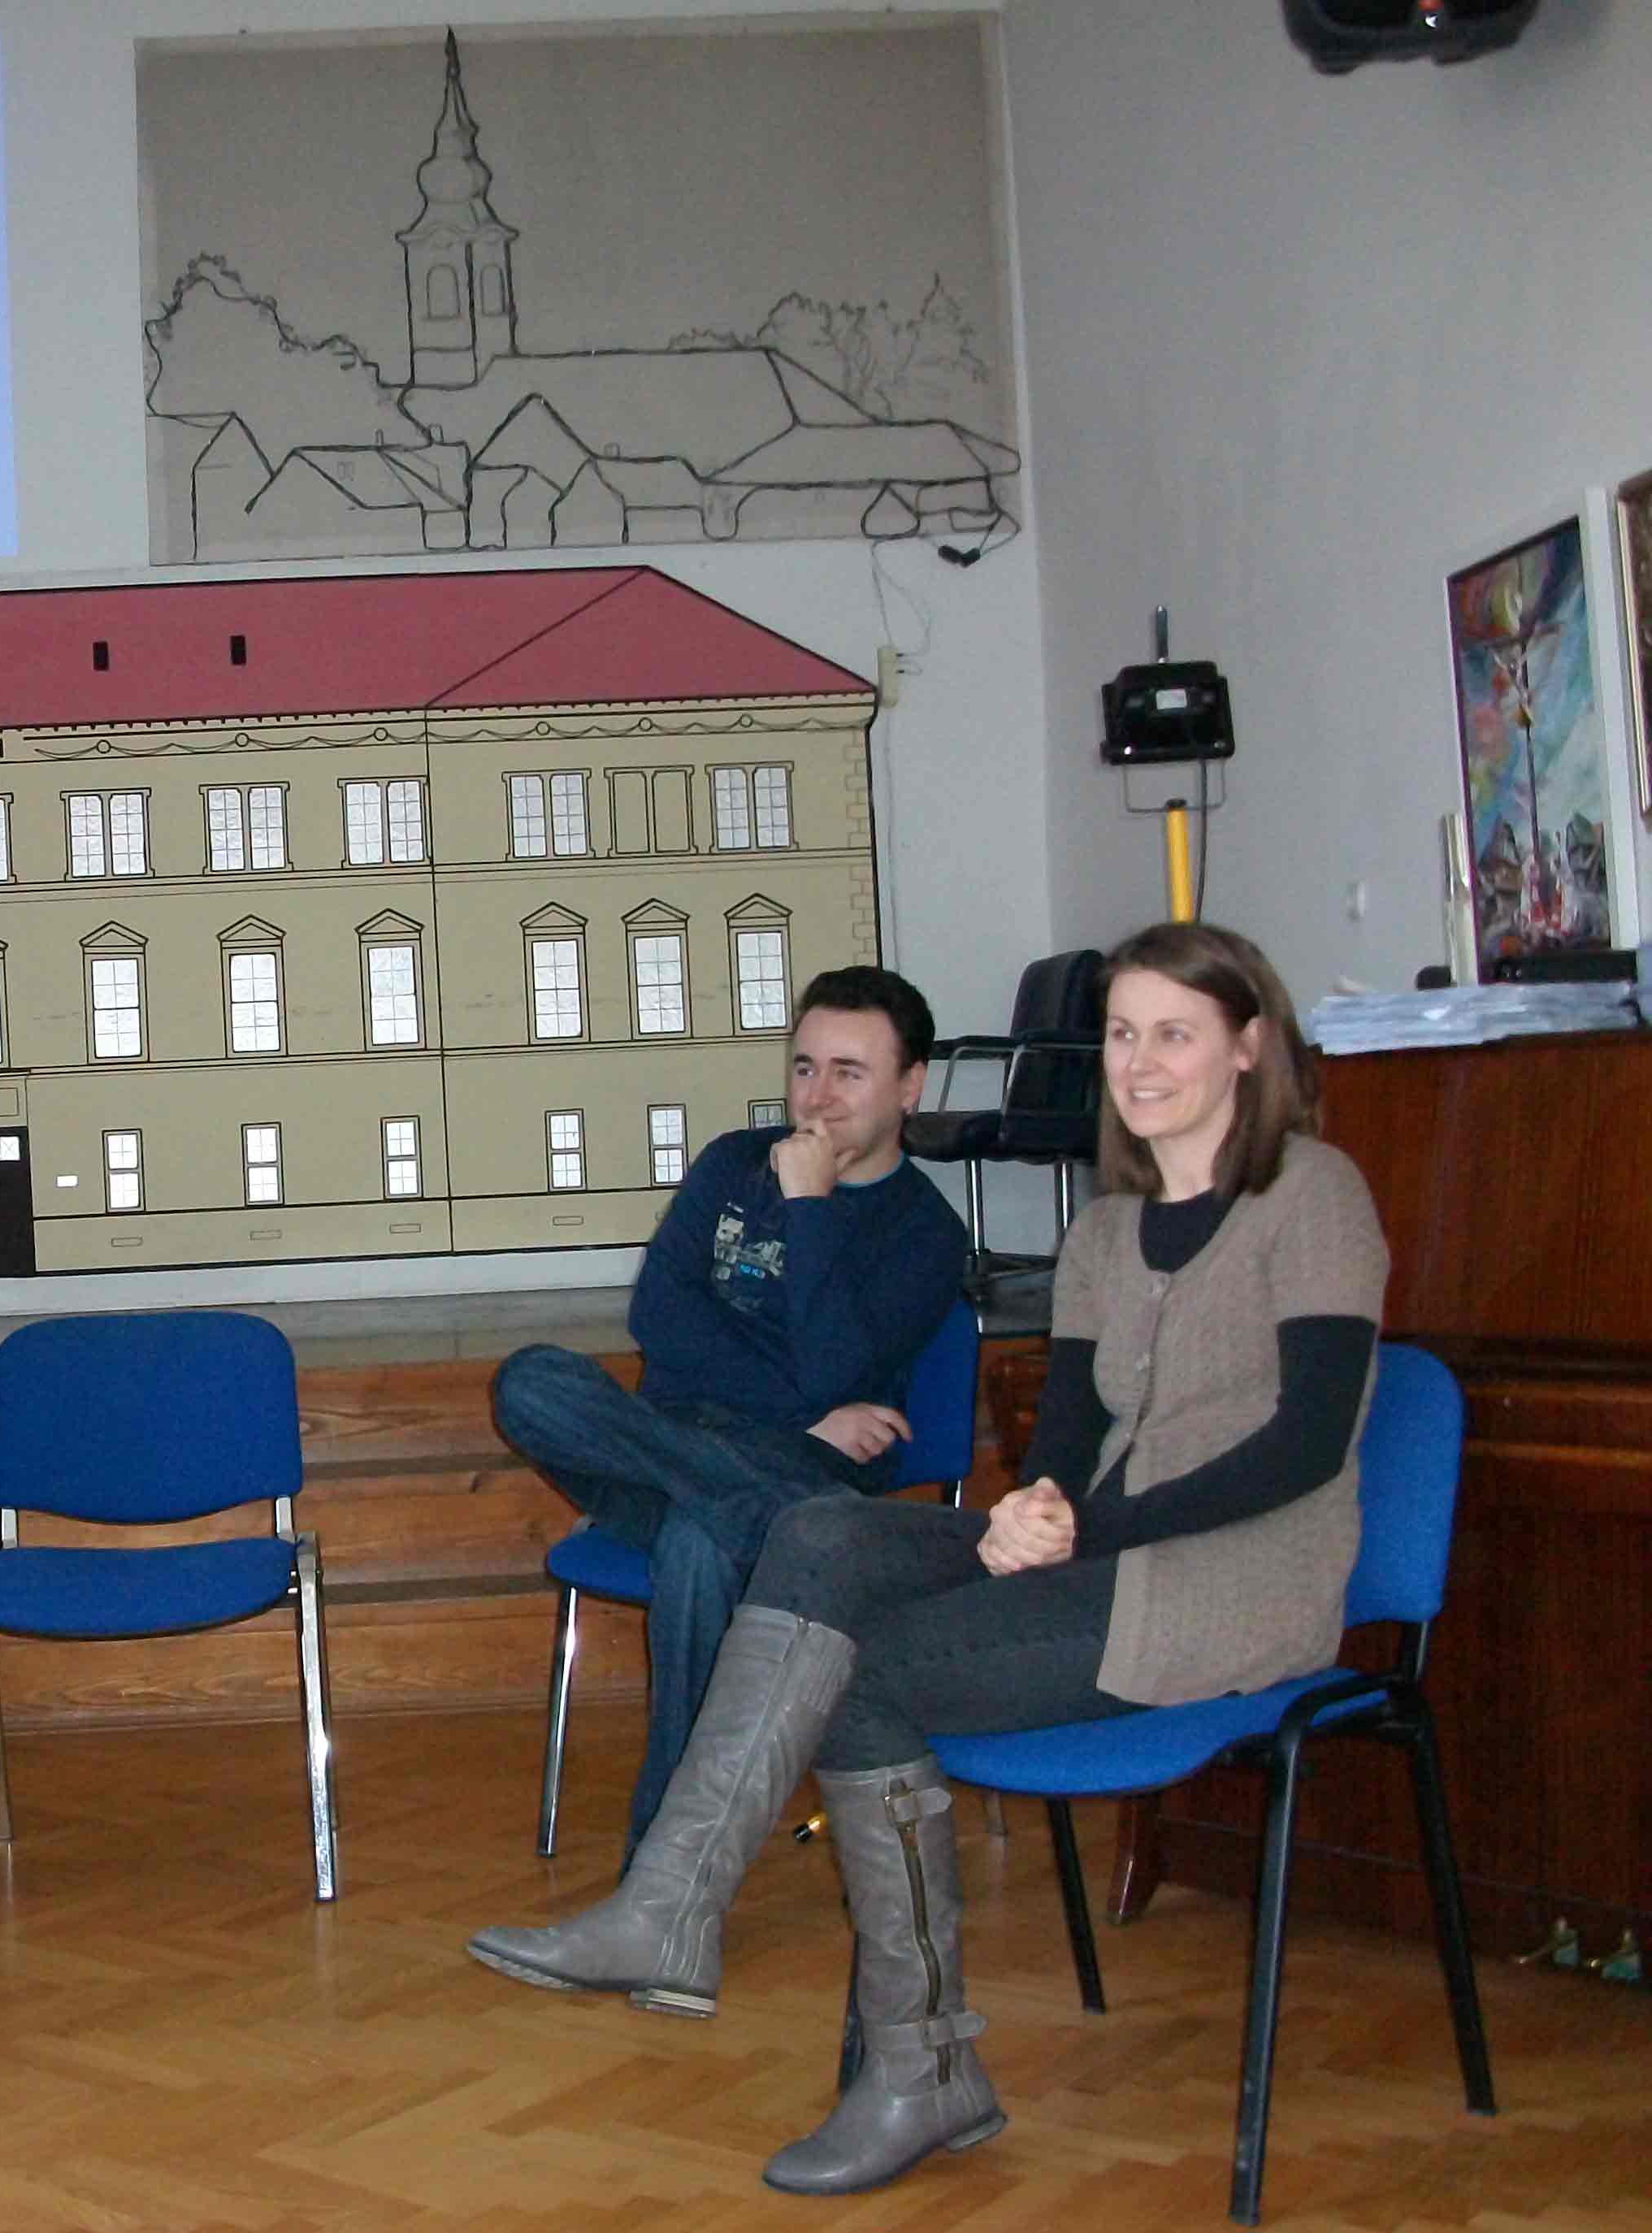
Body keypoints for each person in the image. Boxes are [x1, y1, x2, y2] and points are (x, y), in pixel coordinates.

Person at [478, 920, 1387, 2197]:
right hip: (1096, 1559)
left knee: (854, 1668)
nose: (1138, 1062)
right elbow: (1065, 1441)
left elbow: (1305, 1444)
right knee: (816, 1532)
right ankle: (679, 1912)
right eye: (1121, 1034)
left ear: (1248, 1047)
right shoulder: (1106, 1234)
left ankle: (909, 2064)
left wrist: (1077, 1526)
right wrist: (1033, 1508)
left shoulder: (1314, 1195)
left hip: (1234, 1587)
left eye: (1172, 1034)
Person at [470, 964, 967, 1941]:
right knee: (530, 1382)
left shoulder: (925, 1234)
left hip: (793, 1475)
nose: (817, 1098)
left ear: (910, 1087)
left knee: (700, 1545)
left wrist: (811, 1207)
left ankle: (657, 1897)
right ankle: (757, 1511)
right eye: (804, 1068)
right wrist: (802, 1415)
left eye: (849, 1073)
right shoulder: (731, 1164)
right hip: (697, 1456)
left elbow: (838, 1367)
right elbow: (660, 1319)